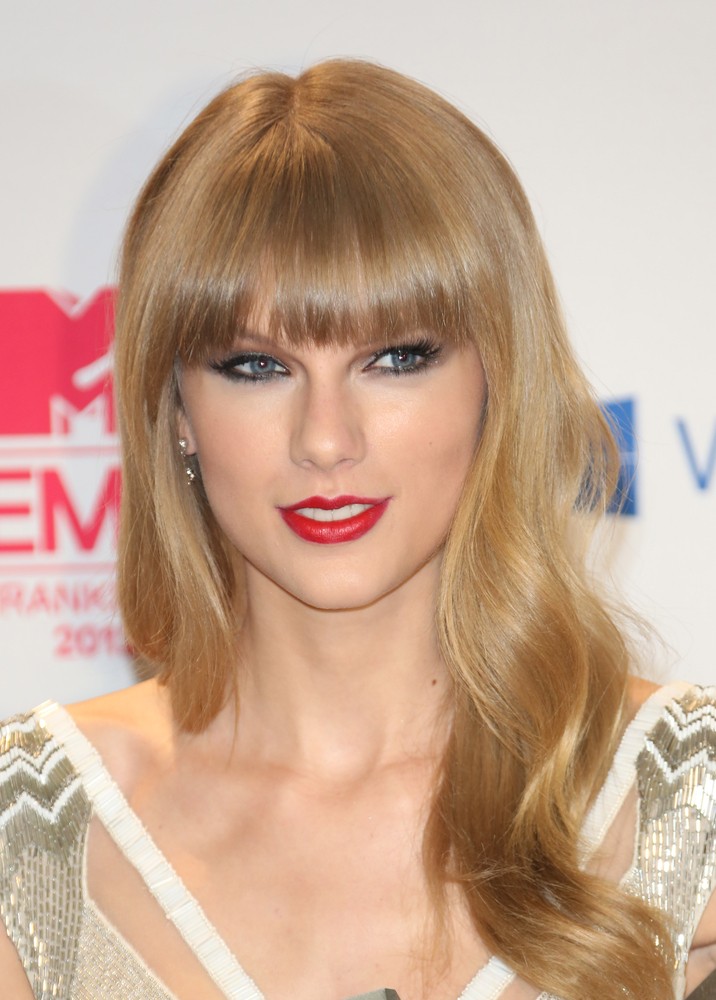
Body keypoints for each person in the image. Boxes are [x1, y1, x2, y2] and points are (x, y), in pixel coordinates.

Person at [0, 59, 713, 1000]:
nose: (326, 440)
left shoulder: (682, 806)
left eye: (398, 357)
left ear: (498, 381)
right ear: (175, 409)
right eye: (256, 367)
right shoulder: (35, 840)